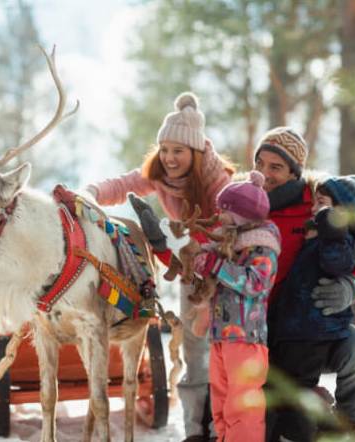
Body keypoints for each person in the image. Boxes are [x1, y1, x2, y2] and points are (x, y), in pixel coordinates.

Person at [86, 91, 234, 441]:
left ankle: (225, 427)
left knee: (222, 349)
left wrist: (202, 256)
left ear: (195, 152)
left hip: (225, 272)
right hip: (187, 268)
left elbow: (230, 230)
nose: (168, 158)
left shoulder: (217, 183)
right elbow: (123, 185)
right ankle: (197, 431)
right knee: (194, 350)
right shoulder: (159, 174)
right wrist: (91, 191)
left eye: (178, 151)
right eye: (164, 149)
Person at [252, 127, 355, 442]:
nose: (265, 174)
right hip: (260, 326)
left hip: (311, 324)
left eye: (276, 167)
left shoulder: (319, 201)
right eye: (260, 164)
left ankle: (348, 421)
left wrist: (352, 286)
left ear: (296, 171)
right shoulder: (245, 202)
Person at [190, 170, 281, 442]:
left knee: (242, 406)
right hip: (221, 336)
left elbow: (257, 284)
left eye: (224, 211)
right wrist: (201, 265)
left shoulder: (262, 248)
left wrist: (217, 266)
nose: (219, 215)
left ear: (241, 216)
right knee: (221, 402)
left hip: (246, 337)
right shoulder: (229, 246)